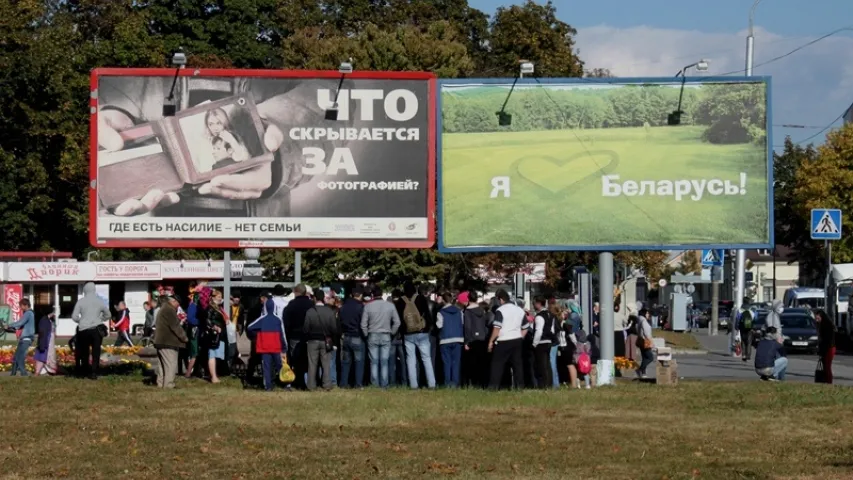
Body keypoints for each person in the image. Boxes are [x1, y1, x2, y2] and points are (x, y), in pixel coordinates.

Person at [488, 289, 529, 390]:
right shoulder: (519, 310)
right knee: (517, 365)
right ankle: (520, 386)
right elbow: (526, 327)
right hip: (517, 339)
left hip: (503, 340)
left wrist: (491, 341)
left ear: (501, 299)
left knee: (497, 365)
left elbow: (497, 328)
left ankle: (494, 386)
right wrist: (520, 337)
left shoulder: (500, 311)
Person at [361, 285, 401, 388]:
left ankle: (375, 384)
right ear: (382, 294)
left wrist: (366, 334)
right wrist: (392, 333)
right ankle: (384, 384)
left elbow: (363, 324)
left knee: (374, 361)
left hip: (372, 334)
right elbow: (397, 322)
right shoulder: (390, 306)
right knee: (384, 361)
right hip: (386, 335)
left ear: (373, 295)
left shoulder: (368, 306)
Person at [71, 282, 112, 379]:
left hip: (83, 330)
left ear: (85, 290)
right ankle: (94, 372)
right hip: (96, 330)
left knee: (84, 351)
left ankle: (85, 370)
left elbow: (74, 316)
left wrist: (81, 321)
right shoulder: (99, 301)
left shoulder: (81, 301)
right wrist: (101, 319)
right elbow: (108, 315)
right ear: (94, 290)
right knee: (96, 351)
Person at [247, 297, 288, 391]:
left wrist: (258, 335)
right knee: (280, 365)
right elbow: (282, 335)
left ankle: (268, 386)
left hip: (264, 346)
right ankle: (286, 384)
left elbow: (250, 327)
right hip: (276, 346)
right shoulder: (278, 319)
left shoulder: (262, 319)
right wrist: (284, 348)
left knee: (266, 366)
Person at [304, 289, 339, 391]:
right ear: (324, 298)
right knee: (326, 364)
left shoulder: (310, 312)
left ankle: (311, 385)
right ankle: (327, 384)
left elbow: (306, 328)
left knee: (312, 364)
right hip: (325, 340)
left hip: (312, 341)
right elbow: (334, 328)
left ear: (314, 298)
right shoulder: (329, 311)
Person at [154, 294, 189, 389]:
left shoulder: (163, 308)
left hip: (160, 341)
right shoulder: (169, 310)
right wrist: (185, 338)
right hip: (168, 342)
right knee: (171, 365)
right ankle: (169, 385)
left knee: (162, 366)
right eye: (178, 304)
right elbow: (175, 326)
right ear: (173, 301)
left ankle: (160, 384)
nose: (178, 306)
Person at [283, 284, 314, 390]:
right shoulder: (311, 304)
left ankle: (295, 381)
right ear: (305, 292)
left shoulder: (291, 305)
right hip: (309, 336)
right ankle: (306, 381)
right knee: (307, 359)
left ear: (296, 293)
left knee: (294, 359)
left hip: (294, 336)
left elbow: (286, 322)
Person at [339, 287, 366, 388]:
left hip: (346, 336)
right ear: (360, 295)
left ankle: (343, 383)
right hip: (357, 336)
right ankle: (358, 384)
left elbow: (340, 321)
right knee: (359, 362)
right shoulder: (360, 307)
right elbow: (363, 322)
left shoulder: (343, 307)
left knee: (346, 362)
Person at [436, 292, 464, 388]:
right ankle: (455, 383)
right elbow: (462, 323)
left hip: (445, 339)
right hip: (458, 338)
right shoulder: (459, 311)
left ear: (443, 300)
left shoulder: (441, 312)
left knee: (446, 362)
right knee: (456, 362)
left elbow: (439, 325)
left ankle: (447, 383)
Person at [462, 290, 489, 389]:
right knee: (482, 363)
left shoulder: (468, 311)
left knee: (472, 363)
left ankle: (474, 383)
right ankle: (482, 383)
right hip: (482, 338)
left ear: (468, 299)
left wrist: (466, 341)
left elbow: (467, 327)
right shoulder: (482, 310)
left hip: (472, 339)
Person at [203, 288, 228, 384]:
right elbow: (207, 320)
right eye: (218, 297)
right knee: (212, 355)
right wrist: (215, 327)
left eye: (221, 297)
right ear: (212, 297)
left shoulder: (217, 308)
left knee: (216, 355)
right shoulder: (210, 308)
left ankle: (214, 374)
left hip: (219, 335)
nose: (220, 298)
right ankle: (213, 377)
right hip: (214, 336)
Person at [531, 296, 555, 389]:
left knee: (541, 364)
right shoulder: (550, 314)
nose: (533, 305)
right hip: (548, 341)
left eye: (534, 303)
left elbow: (538, 331)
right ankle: (549, 383)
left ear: (538, 303)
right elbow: (552, 330)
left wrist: (534, 343)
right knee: (547, 364)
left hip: (541, 342)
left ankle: (543, 384)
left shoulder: (539, 316)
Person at [9, 299, 36, 377]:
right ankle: (12, 374)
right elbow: (20, 325)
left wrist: (9, 325)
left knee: (20, 358)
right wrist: (13, 328)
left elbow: (20, 322)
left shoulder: (28, 313)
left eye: (21, 306)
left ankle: (24, 374)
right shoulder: (28, 313)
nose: (20, 308)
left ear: (26, 305)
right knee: (15, 357)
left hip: (26, 339)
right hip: (23, 339)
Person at [814, 309, 837, 384]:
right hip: (826, 348)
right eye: (816, 318)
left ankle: (829, 382)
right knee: (825, 366)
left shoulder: (827, 325)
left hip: (829, 348)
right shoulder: (821, 325)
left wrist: (822, 351)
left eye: (818, 318)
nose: (817, 320)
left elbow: (827, 340)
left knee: (827, 366)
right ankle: (826, 380)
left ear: (822, 317)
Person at [34, 307, 57, 376]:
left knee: (45, 356)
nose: (54, 313)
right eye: (53, 312)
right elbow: (43, 332)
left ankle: (44, 371)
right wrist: (42, 343)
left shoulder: (49, 320)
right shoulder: (44, 320)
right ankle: (37, 373)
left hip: (49, 340)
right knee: (43, 356)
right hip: (46, 341)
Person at [636, 308, 654, 379]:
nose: (648, 314)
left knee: (644, 357)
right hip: (645, 341)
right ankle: (640, 369)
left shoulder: (639, 320)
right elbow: (647, 333)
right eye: (647, 313)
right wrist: (651, 342)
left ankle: (643, 373)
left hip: (640, 340)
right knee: (650, 357)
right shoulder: (644, 321)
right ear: (644, 313)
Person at [736, 297, 755, 362]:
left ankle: (743, 355)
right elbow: (754, 318)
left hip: (742, 327)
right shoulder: (751, 309)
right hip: (749, 328)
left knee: (743, 341)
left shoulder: (740, 310)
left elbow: (737, 318)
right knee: (749, 342)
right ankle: (748, 355)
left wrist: (737, 327)